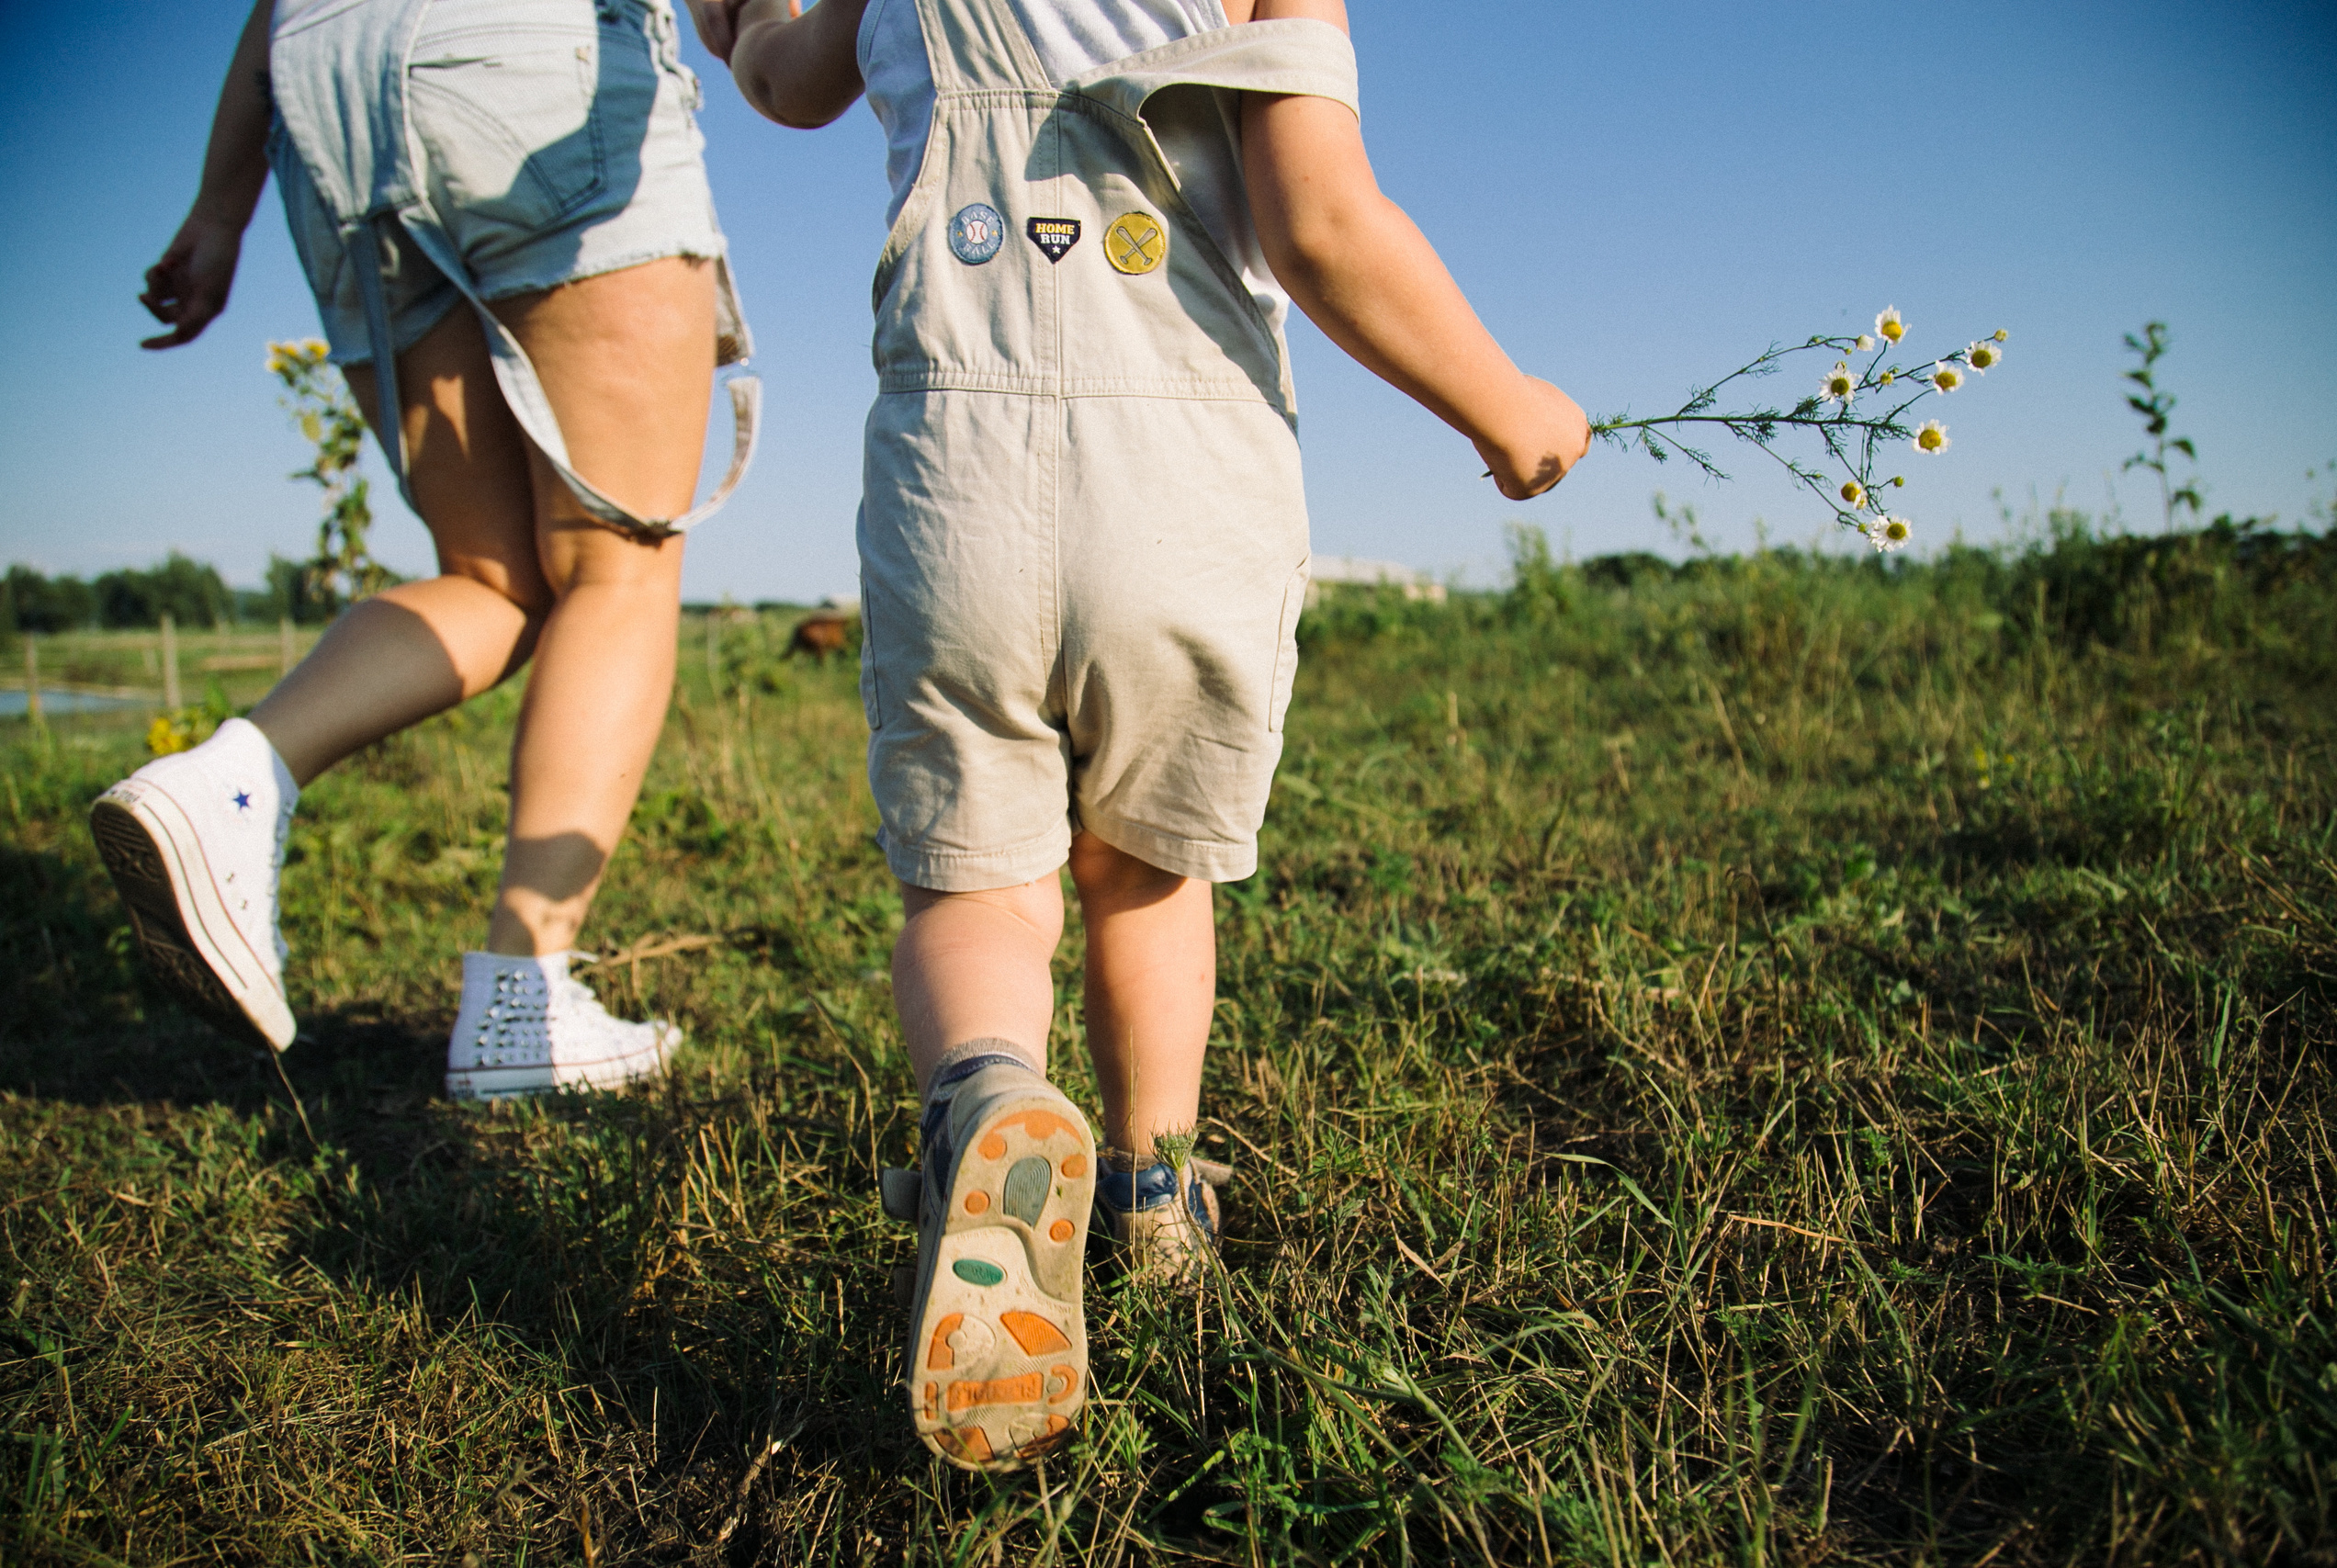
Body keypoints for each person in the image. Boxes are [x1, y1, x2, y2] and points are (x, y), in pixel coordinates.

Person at [698, 0, 1589, 1470]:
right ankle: (1156, 1194)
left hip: (953, 463)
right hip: (1190, 465)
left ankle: (986, 1089)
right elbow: (1322, 224)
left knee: (978, 882)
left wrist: (744, 28)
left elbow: (787, 83)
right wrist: (1507, 407)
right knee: (1150, 871)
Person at [94, 0, 761, 1101]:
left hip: (325, 92)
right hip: (528, 55)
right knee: (617, 558)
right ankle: (522, 1000)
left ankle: (233, 781)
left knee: (494, 577)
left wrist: (221, 210)